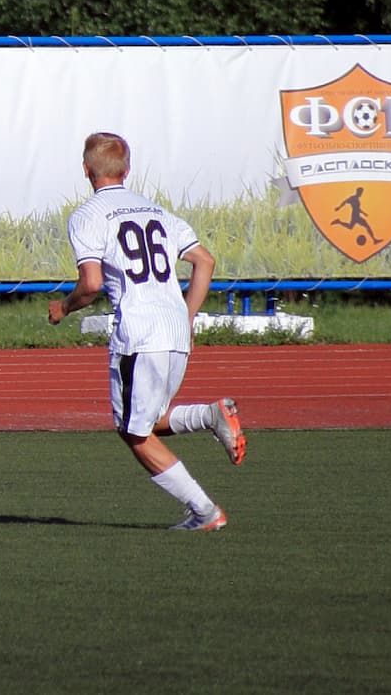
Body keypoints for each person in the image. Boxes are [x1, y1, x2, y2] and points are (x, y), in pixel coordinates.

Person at [47, 131, 247, 531]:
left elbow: (90, 284)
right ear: (128, 169)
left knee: (134, 433)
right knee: (148, 418)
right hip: (173, 327)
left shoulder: (87, 215)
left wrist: (64, 308)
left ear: (86, 170)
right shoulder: (158, 212)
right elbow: (204, 261)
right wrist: (187, 317)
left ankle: (205, 512)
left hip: (138, 333)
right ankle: (211, 415)